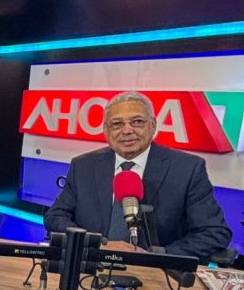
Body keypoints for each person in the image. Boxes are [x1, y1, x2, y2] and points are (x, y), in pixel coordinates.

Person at [45, 91, 230, 260]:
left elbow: (214, 232)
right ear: (106, 131)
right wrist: (97, 244)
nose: (127, 130)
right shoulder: (83, 166)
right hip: (92, 263)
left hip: (156, 271)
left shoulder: (187, 169)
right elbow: (56, 216)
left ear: (153, 125)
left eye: (137, 122)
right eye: (117, 124)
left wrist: (155, 256)